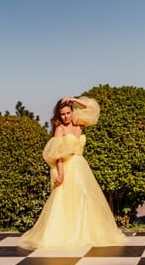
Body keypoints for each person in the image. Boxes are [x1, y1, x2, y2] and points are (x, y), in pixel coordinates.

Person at [18, 96, 128, 249]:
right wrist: (61, 174)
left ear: (72, 112)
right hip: (68, 168)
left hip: (81, 167)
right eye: (62, 114)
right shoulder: (60, 129)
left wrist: (73, 99)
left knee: (84, 197)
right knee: (66, 201)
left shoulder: (79, 124)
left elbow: (91, 109)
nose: (66, 117)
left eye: (68, 113)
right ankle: (67, 234)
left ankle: (84, 233)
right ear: (59, 115)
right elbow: (58, 154)